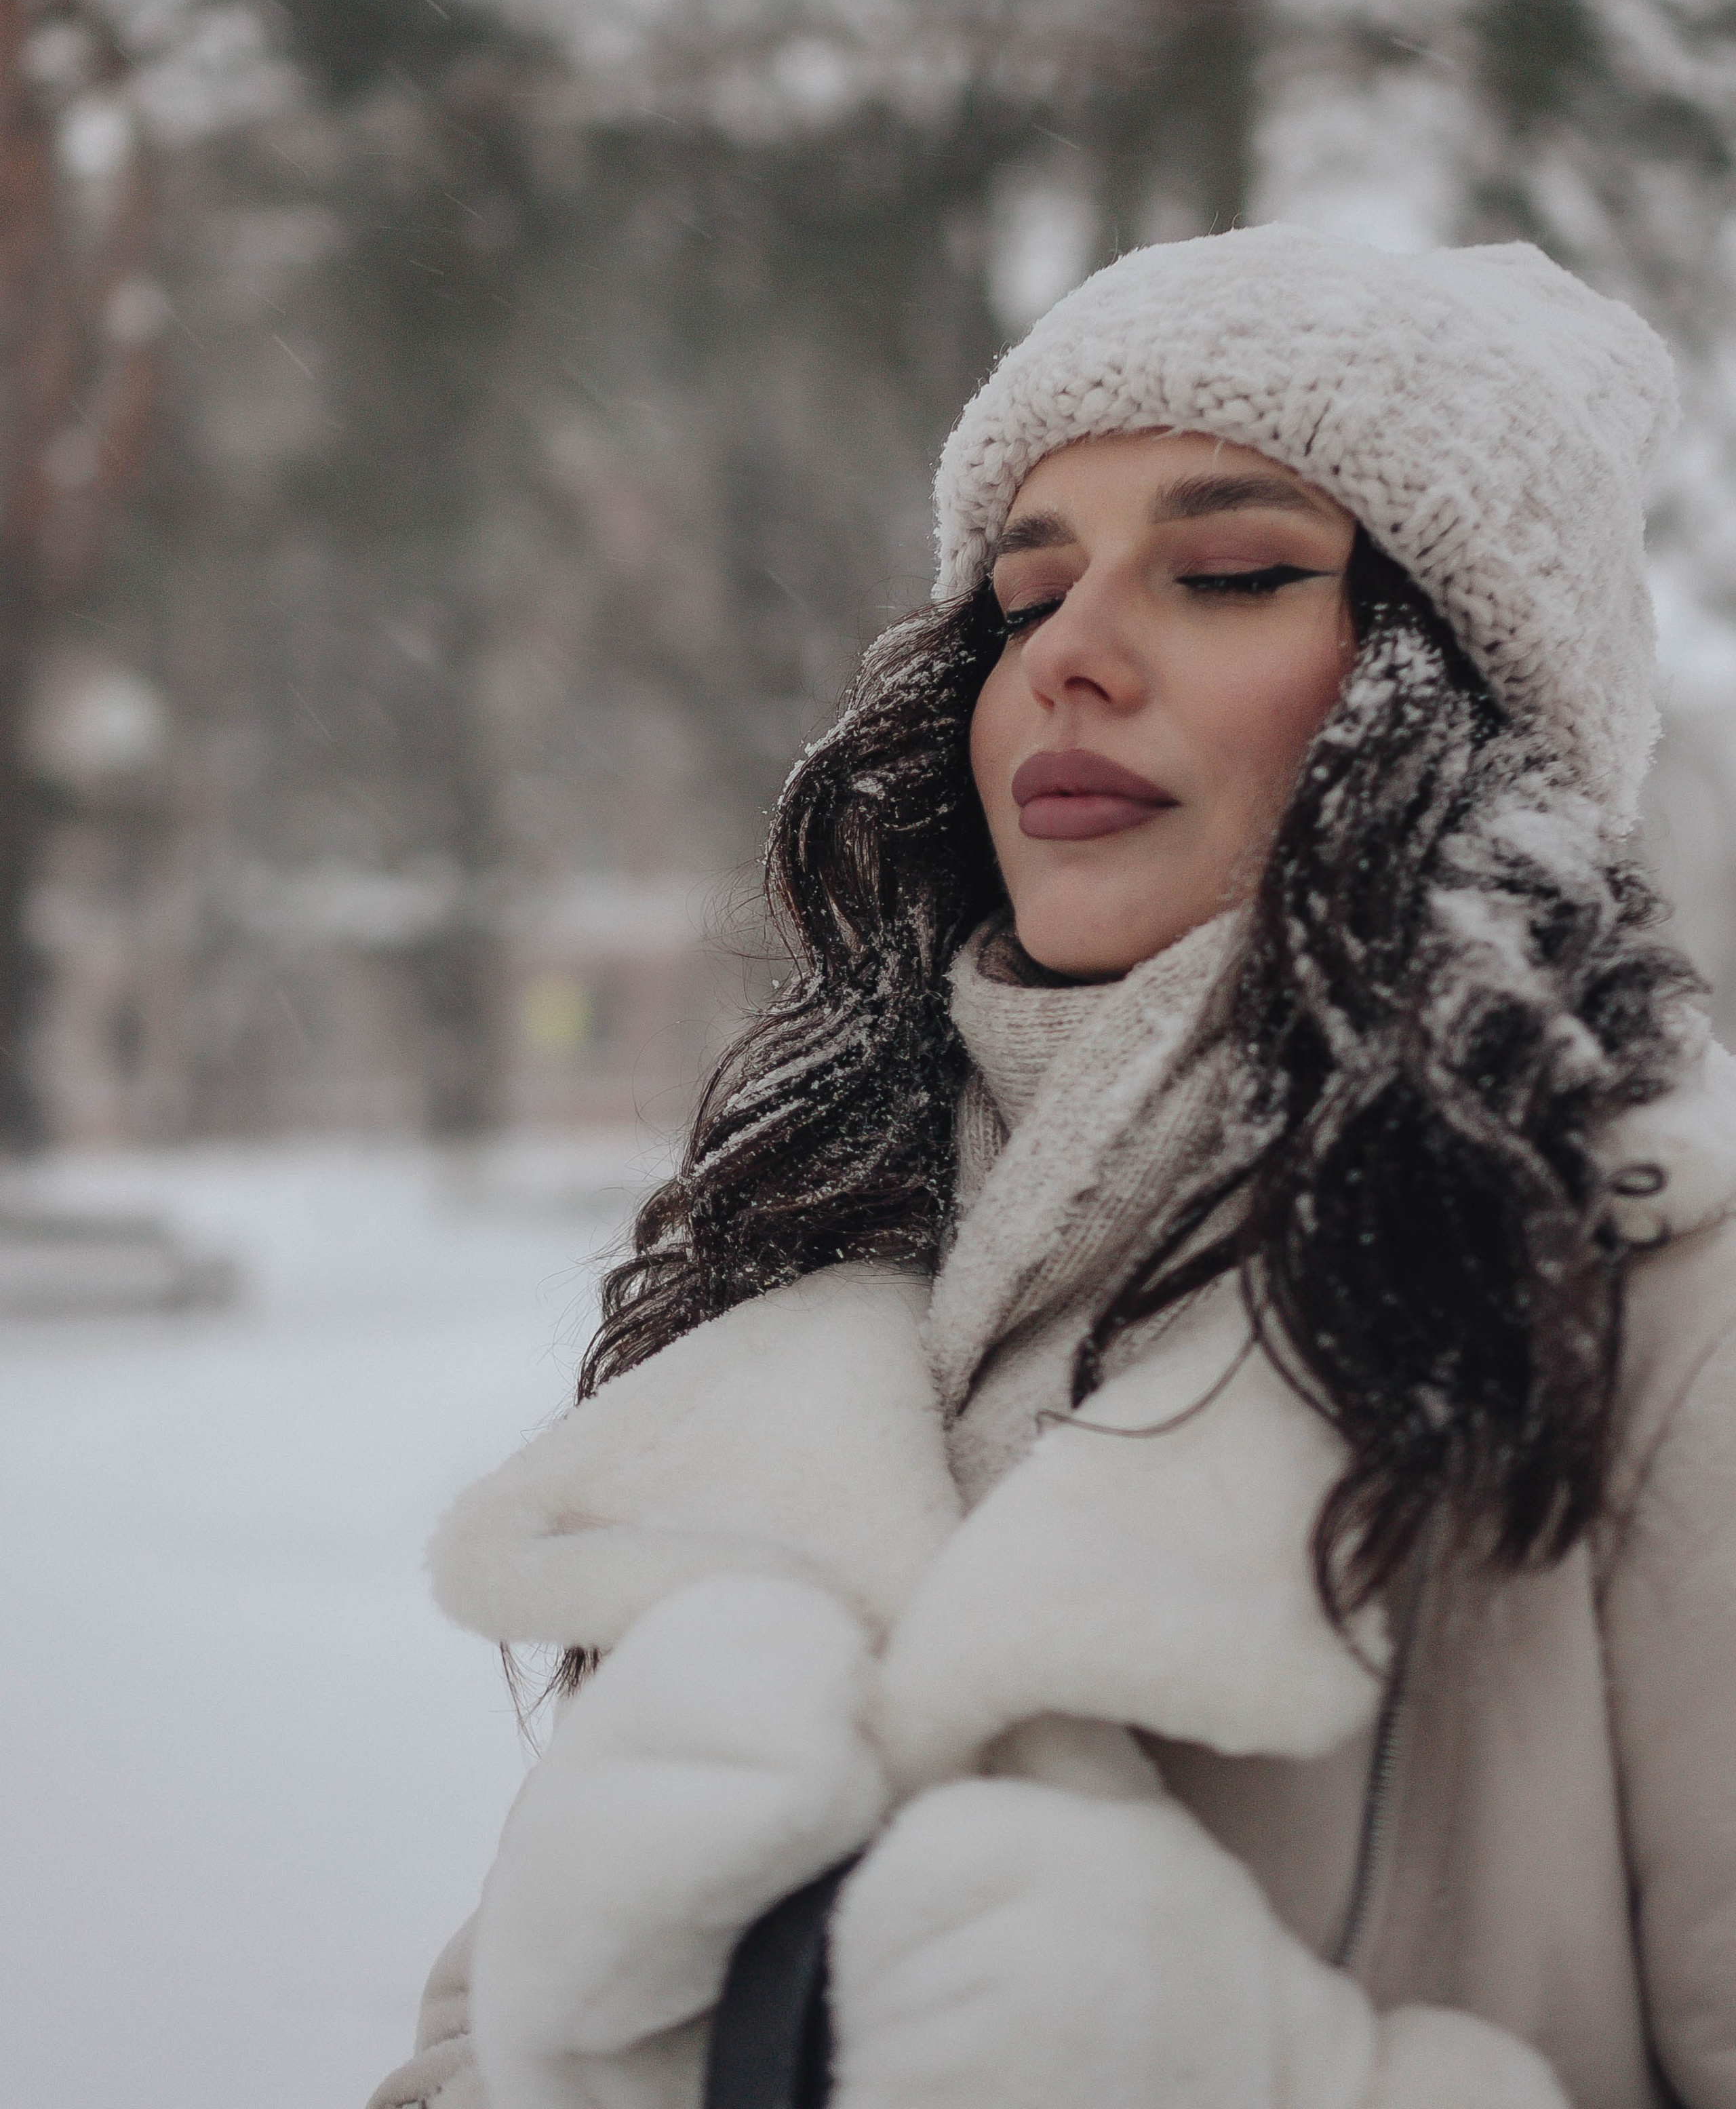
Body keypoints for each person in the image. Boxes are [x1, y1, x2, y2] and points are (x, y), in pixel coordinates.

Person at [369, 224, 1736, 2109]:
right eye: (1020, 596)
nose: (1071, 657)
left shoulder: (1663, 1299)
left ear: (1455, 700)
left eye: (1234, 570)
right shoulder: (814, 1272)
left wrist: (1254, 2078)